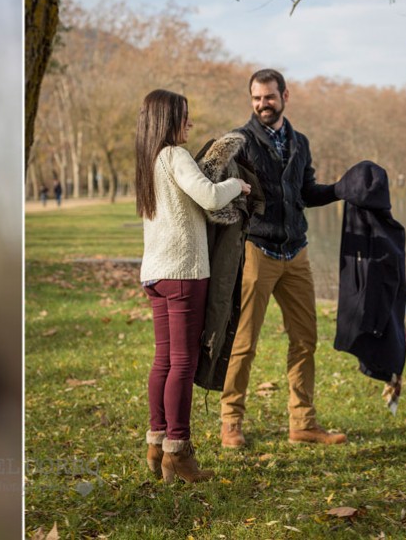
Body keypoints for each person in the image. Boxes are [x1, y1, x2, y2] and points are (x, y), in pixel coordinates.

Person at [220, 68, 346, 448]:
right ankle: (230, 422)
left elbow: (306, 192)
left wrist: (341, 189)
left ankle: (303, 423)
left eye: (269, 97)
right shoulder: (238, 141)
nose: (262, 105)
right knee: (244, 342)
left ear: (285, 96)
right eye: (256, 98)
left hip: (297, 253)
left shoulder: (300, 141)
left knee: (305, 339)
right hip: (257, 250)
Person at [135, 89, 251, 484]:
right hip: (183, 272)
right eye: (185, 116)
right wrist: (239, 187)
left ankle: (156, 442)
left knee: (164, 361)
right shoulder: (175, 156)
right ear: (168, 120)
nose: (191, 124)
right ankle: (178, 452)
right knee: (182, 363)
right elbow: (208, 195)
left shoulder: (148, 160)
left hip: (155, 273)